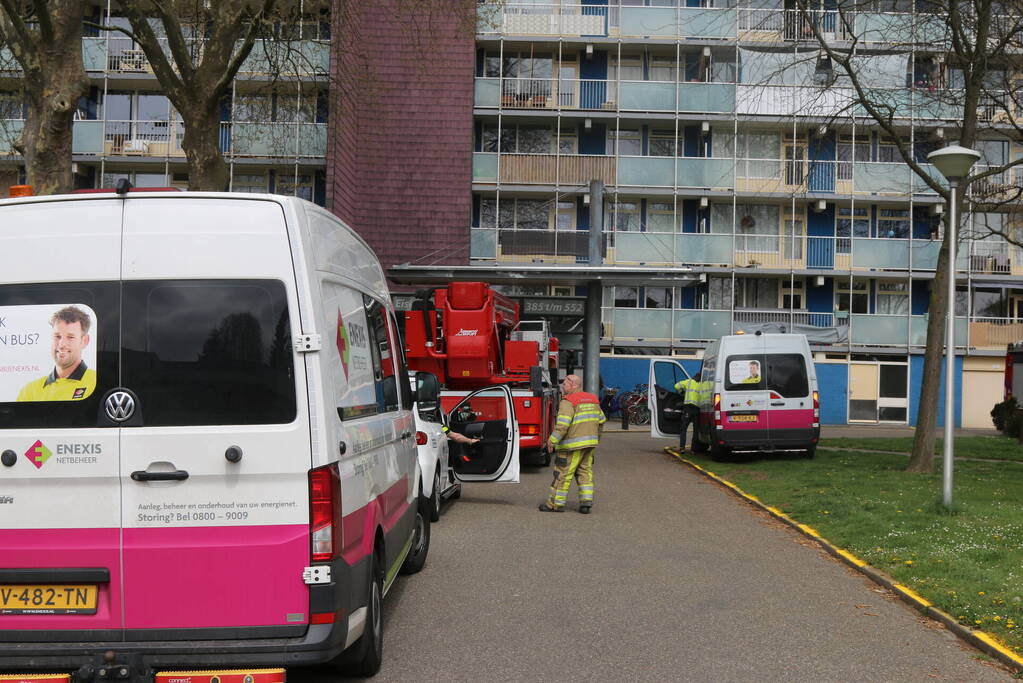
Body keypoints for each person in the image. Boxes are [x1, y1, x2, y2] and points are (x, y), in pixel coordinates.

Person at [540, 374, 606, 514]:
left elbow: (562, 426)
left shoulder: (568, 401)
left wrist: (551, 441)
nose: (563, 387)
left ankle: (555, 504)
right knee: (585, 472)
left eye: (565, 384)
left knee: (562, 474)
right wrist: (596, 439)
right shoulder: (592, 399)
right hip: (590, 444)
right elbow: (601, 421)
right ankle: (586, 503)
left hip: (572, 446)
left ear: (573, 384)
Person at [17, 306, 96, 402]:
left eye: (70, 337)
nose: (62, 344)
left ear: (84, 341)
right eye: (57, 336)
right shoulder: (28, 392)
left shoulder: (96, 383)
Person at [673, 371, 702, 452]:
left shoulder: (688, 382)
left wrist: (682, 392)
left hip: (688, 408)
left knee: (684, 428)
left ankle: (682, 448)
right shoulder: (701, 385)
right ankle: (693, 450)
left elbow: (676, 386)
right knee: (696, 430)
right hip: (697, 409)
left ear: (694, 376)